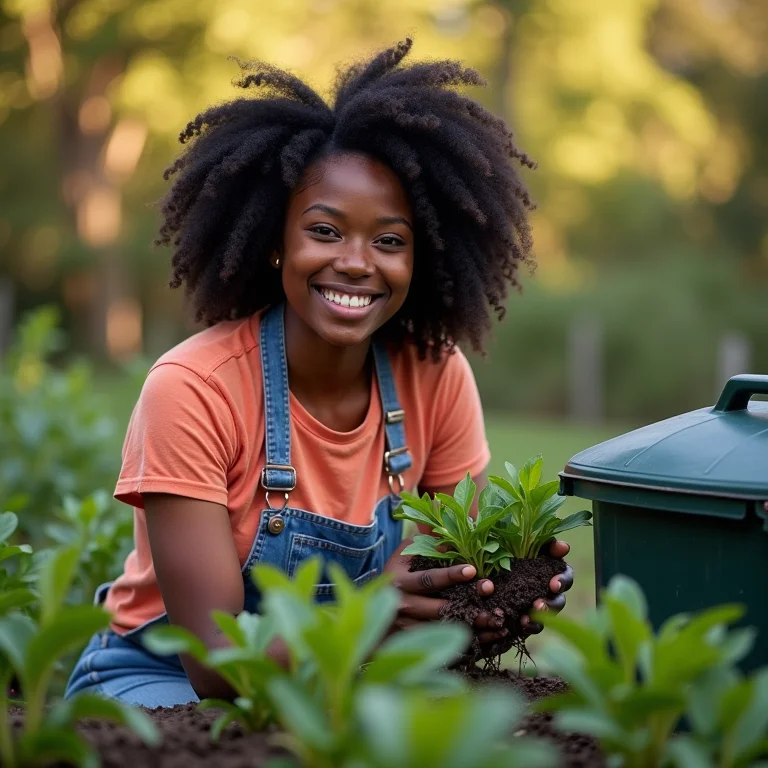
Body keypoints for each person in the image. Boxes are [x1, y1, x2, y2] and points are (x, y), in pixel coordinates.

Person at [65, 38, 574, 708]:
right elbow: (217, 667)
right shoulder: (193, 388)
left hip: (347, 678)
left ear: (423, 258)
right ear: (278, 243)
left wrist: (502, 594)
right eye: (326, 231)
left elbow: (454, 581)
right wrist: (370, 620)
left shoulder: (434, 375)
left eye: (389, 241)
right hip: (162, 682)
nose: (358, 263)